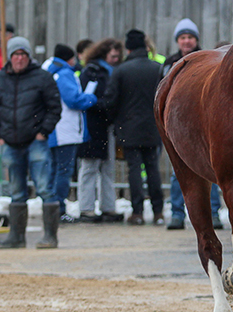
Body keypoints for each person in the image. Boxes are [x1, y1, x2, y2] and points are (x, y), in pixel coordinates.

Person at [0, 37, 62, 249]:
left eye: (23, 54)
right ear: (10, 57)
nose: (19, 59)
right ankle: (16, 237)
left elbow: (54, 107)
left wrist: (44, 132)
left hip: (36, 141)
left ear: (29, 57)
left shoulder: (43, 78)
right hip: (10, 143)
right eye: (16, 55)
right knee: (16, 191)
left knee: (45, 188)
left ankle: (50, 236)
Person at [162, 19, 224, 230]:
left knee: (210, 170)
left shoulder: (207, 60)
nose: (186, 41)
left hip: (203, 123)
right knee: (178, 172)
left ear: (196, 40)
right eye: (183, 37)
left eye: (190, 37)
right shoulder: (170, 64)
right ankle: (177, 214)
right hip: (179, 124)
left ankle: (213, 214)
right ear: (177, 41)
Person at [101, 30, 164, 226]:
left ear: (128, 48)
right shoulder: (157, 68)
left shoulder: (121, 70)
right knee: (152, 169)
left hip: (128, 127)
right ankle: (158, 211)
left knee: (134, 169)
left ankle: (137, 212)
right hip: (153, 126)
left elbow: (110, 100)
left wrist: (113, 119)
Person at [43, 44, 98, 222]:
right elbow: (74, 100)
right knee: (63, 171)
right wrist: (91, 98)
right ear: (70, 58)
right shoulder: (64, 73)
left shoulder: (48, 69)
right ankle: (58, 209)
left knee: (53, 171)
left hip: (53, 130)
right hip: (65, 131)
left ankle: (50, 208)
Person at [77, 39, 124, 223]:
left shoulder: (106, 71)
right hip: (93, 125)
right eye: (113, 56)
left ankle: (107, 207)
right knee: (90, 167)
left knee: (107, 168)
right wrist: (105, 104)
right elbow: (86, 98)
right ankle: (87, 208)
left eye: (117, 56)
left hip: (106, 125)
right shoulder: (92, 71)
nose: (116, 59)